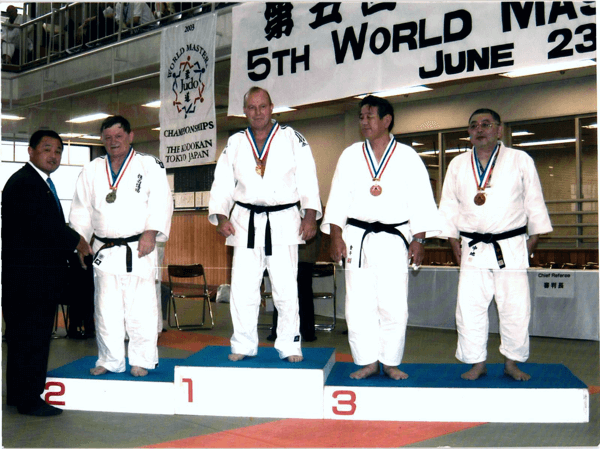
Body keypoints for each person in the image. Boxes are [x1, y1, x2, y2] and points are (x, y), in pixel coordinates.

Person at [322, 95, 440, 380]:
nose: (364, 122)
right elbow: (337, 198)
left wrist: (419, 240)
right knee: (358, 304)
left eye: (370, 116)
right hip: (357, 236)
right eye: (361, 117)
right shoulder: (350, 154)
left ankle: (390, 361)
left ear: (387, 120)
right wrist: (335, 237)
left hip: (393, 238)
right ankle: (367, 361)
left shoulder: (408, 157)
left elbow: (421, 202)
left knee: (393, 304)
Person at [438, 108, 553, 381]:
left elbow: (534, 200)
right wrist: (451, 238)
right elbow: (449, 204)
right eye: (474, 125)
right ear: (469, 132)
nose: (480, 129)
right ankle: (477, 362)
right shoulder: (457, 164)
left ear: (499, 130)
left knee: (515, 306)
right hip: (472, 246)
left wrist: (534, 238)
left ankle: (512, 363)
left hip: (511, 243)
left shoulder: (519, 159)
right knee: (469, 307)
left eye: (486, 124)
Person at [208, 86, 322, 363]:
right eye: (251, 107)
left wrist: (309, 216)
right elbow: (222, 182)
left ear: (271, 108)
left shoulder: (293, 138)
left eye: (262, 107)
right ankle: (243, 344)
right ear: (244, 110)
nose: (257, 112)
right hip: (245, 221)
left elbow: (308, 178)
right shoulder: (235, 142)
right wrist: (221, 216)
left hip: (284, 220)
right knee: (243, 288)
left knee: (285, 289)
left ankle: (290, 345)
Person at [70, 115, 174, 377]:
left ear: (130, 136)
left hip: (139, 247)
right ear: (102, 140)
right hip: (104, 250)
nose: (113, 142)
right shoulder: (92, 169)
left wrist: (150, 233)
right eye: (107, 138)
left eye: (118, 136)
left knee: (141, 307)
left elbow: (161, 201)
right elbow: (81, 210)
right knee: (105, 309)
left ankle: (142, 360)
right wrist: (81, 242)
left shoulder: (149, 164)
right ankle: (110, 359)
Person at [2, 130, 93, 415]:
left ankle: (18, 394)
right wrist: (77, 241)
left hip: (28, 277)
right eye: (47, 149)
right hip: (32, 279)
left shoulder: (36, 182)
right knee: (33, 338)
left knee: (21, 338)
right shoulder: (26, 183)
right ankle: (30, 399)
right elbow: (44, 228)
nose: (53, 156)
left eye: (58, 151)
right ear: (31, 151)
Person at [267, 219, 322, 342]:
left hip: (303, 252)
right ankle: (283, 330)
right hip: (290, 251)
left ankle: (304, 332)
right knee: (285, 292)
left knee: (302, 294)